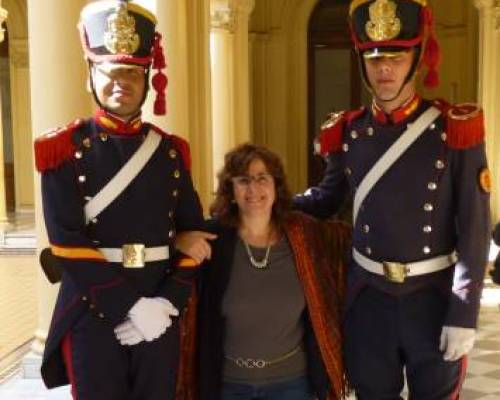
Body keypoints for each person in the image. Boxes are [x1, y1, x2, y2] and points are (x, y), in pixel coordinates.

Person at [294, 0, 491, 398]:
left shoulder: (453, 130)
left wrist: (464, 315)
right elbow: (325, 200)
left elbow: (475, 230)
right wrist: (267, 202)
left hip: (433, 300)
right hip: (369, 301)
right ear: (363, 63)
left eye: (396, 58)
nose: (384, 69)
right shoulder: (348, 134)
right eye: (373, 58)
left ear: (416, 60)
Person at [34, 1, 207, 399]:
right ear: (90, 76)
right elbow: (66, 241)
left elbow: (193, 234)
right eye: (110, 71)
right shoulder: (62, 149)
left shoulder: (170, 152)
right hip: (93, 311)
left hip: (158, 309)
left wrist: (167, 303)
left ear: (148, 79)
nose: (121, 82)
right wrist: (130, 306)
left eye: (132, 72)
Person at [177, 143, 349, 400]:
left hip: (293, 385)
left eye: (262, 178)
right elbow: (166, 245)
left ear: (275, 187)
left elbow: (350, 236)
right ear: (231, 191)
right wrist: (178, 240)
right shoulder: (213, 240)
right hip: (227, 385)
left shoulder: (305, 236)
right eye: (243, 180)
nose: (253, 189)